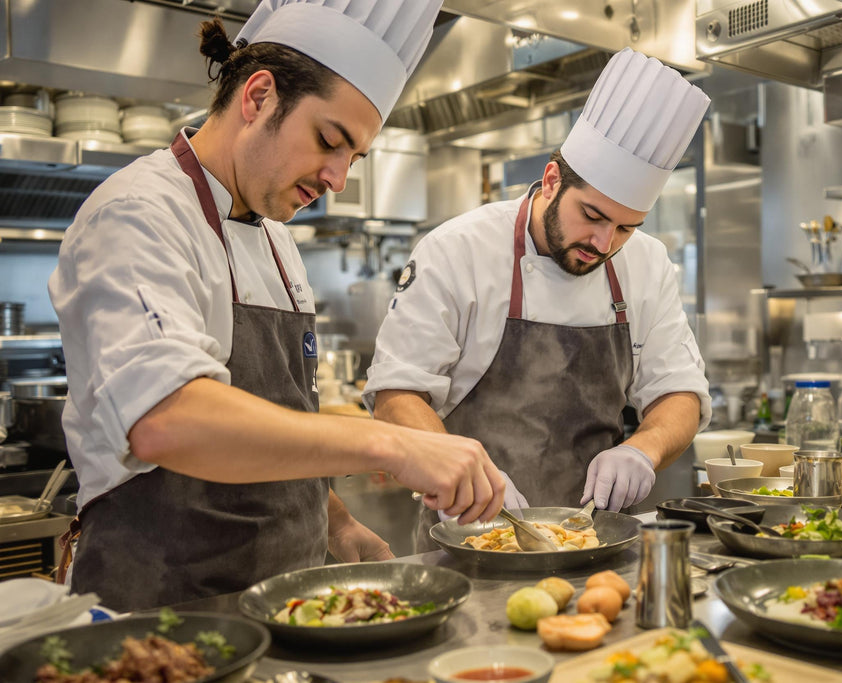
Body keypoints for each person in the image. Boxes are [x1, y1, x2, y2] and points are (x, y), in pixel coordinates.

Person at [48, 0, 504, 611]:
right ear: (258, 96)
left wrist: (335, 521)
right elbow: (165, 419)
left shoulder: (277, 240)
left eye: (354, 158)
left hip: (284, 605)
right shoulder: (137, 214)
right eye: (329, 141)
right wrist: (390, 443)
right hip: (162, 614)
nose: (339, 178)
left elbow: (273, 417)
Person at [364, 47, 713, 550]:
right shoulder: (457, 249)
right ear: (551, 180)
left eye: (625, 228)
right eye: (592, 216)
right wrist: (461, 470)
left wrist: (644, 448)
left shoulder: (647, 263)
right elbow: (397, 396)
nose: (603, 243)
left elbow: (678, 392)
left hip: (596, 540)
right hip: (471, 537)